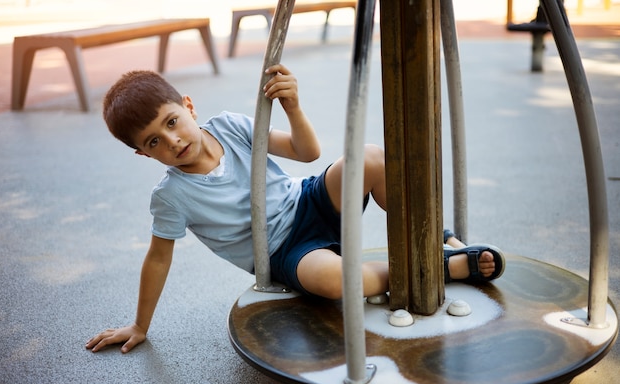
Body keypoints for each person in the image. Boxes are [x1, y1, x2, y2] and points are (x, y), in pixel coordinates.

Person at [86, 65, 504, 354]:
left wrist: (292, 107)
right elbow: (158, 259)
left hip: (307, 199)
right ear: (143, 154)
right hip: (285, 252)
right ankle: (438, 266)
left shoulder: (231, 127)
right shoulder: (171, 196)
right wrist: (140, 325)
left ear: (189, 107)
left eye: (172, 122)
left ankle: (430, 233)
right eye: (154, 141)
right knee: (333, 281)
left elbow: (308, 153)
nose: (172, 140)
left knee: (370, 157)